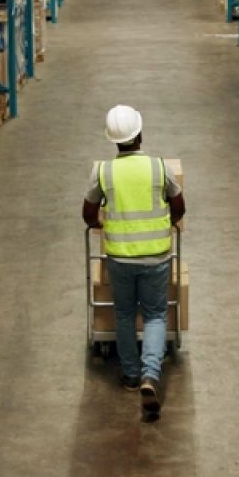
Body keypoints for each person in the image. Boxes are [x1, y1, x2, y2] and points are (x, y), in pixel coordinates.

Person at [84, 104, 185, 421]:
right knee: (155, 315)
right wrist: (166, 224)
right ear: (140, 134)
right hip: (156, 255)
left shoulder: (103, 172)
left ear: (113, 140)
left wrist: (105, 224)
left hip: (119, 257)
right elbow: (179, 206)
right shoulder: (159, 168)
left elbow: (88, 214)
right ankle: (150, 375)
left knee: (125, 313)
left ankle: (129, 375)